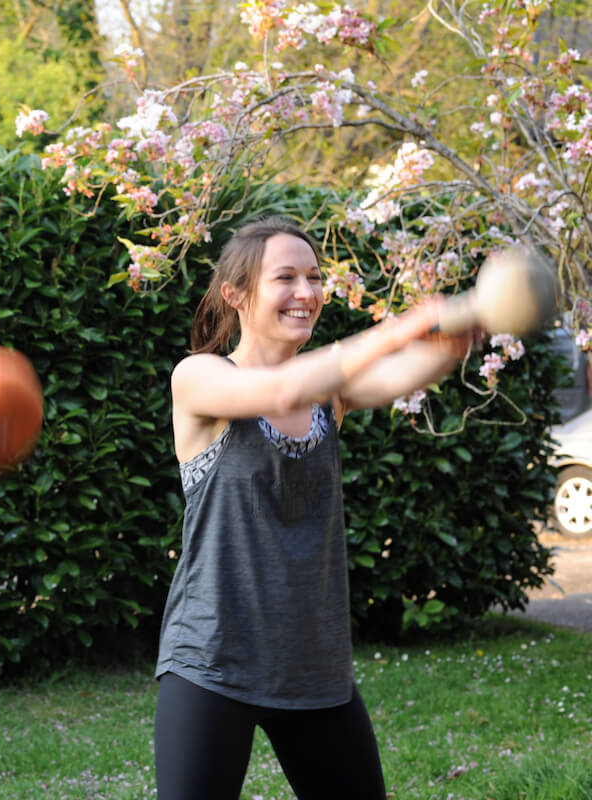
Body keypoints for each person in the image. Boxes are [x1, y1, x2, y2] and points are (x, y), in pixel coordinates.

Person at [153, 217, 474, 798]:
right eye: (286, 278)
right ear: (236, 294)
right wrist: (398, 327)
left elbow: (403, 374)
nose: (307, 292)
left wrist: (459, 332)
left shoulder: (329, 393)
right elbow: (280, 392)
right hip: (214, 655)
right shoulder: (199, 376)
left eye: (314, 277)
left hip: (313, 662)